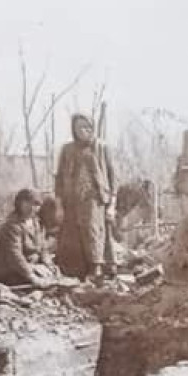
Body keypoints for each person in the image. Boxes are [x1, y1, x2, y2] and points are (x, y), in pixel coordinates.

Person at [55, 114, 116, 282]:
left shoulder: (102, 148)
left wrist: (112, 205)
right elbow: (59, 178)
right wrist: (59, 205)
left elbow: (112, 177)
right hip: (71, 199)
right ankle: (75, 273)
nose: (83, 131)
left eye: (87, 127)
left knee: (93, 231)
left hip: (95, 198)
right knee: (72, 234)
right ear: (74, 130)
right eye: (79, 127)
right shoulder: (67, 150)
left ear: (92, 127)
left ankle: (96, 269)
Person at [0, 189, 56, 287]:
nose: (32, 208)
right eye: (27, 203)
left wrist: (49, 265)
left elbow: (43, 249)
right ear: (19, 203)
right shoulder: (12, 225)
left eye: (36, 204)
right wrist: (32, 276)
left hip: (32, 266)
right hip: (12, 271)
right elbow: (14, 256)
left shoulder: (37, 223)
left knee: (54, 275)